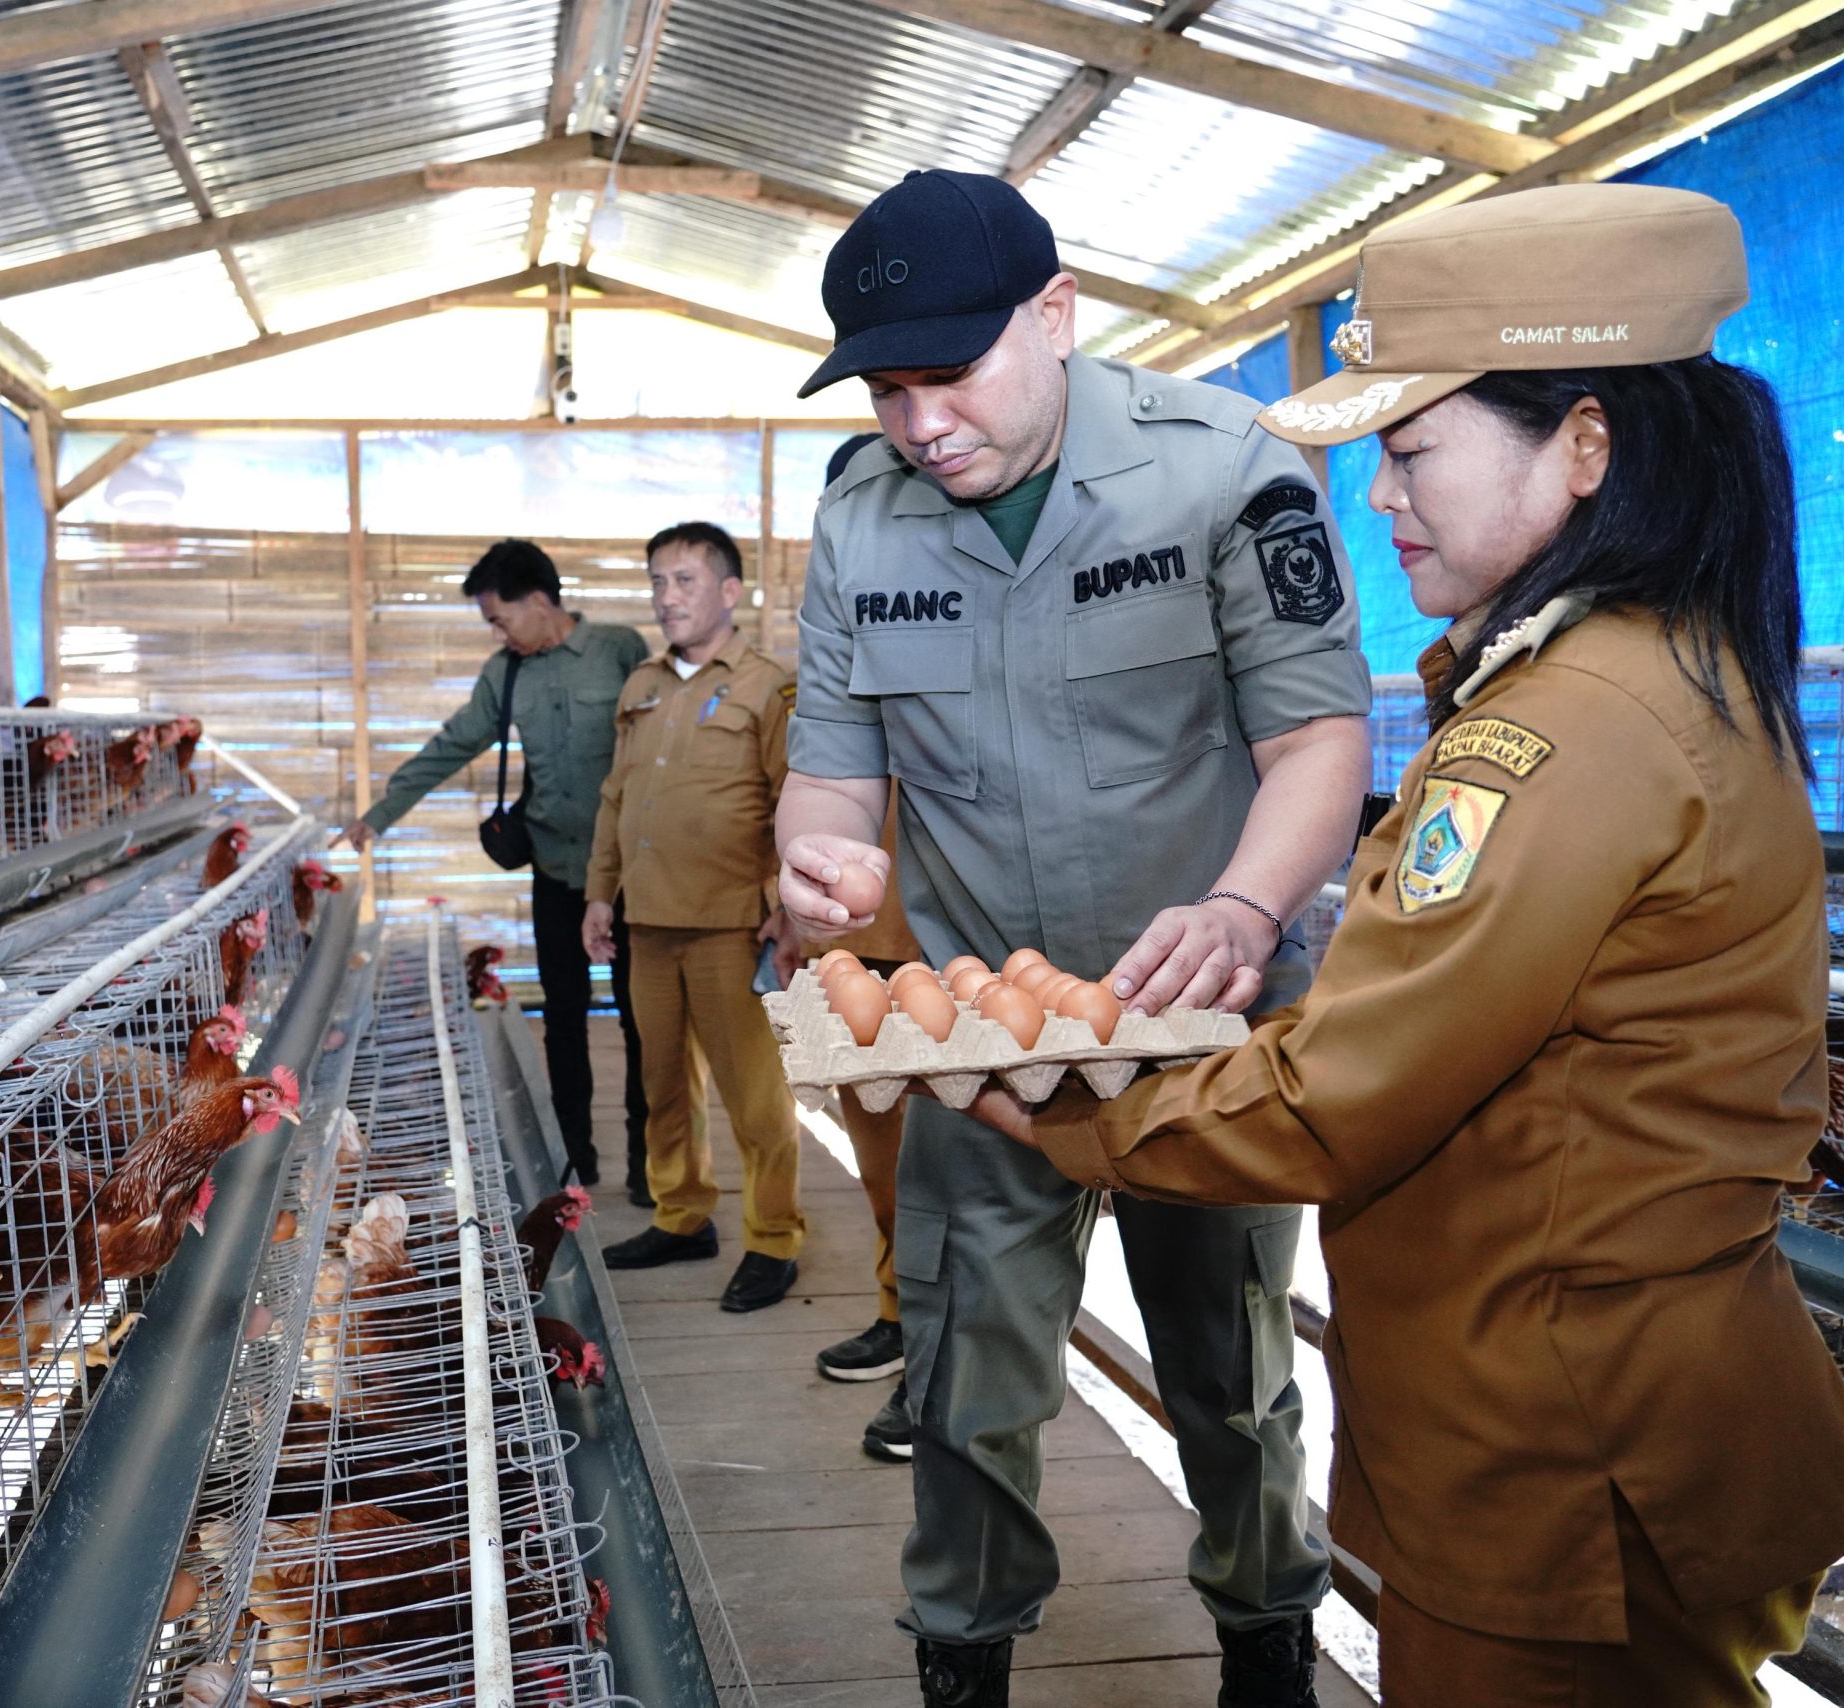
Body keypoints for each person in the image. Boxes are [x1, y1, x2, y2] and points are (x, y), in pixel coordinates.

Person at [969, 182, 1844, 1705]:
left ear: (1586, 445)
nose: (1378, 501)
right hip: (1613, 1399)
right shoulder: (1667, 669)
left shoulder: (1566, 727)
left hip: (1564, 1449)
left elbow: (1347, 1093)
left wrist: (1076, 1104)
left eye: (1409, 453)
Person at [776, 169, 1372, 1708]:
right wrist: (820, 872)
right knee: (968, 1380)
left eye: (950, 374)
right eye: (888, 389)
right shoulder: (857, 518)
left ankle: (1266, 1643)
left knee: (1230, 1375)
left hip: (1209, 1026)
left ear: (1057, 311)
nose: (919, 425)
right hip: (988, 1039)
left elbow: (1318, 738)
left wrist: (1244, 910)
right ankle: (963, 1659)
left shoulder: (1223, 470)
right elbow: (831, 780)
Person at [341, 538, 649, 1187]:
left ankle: (654, 1166)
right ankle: (577, 1157)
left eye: (498, 617)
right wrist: (380, 814)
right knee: (563, 1019)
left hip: (631, 875)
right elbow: (452, 744)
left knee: (642, 1018)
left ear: (539, 601)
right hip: (555, 872)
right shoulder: (505, 673)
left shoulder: (620, 650)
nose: (496, 631)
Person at [584, 522, 809, 1313]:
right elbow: (618, 798)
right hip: (648, 922)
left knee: (755, 1097)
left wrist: (787, 905)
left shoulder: (766, 685)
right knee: (661, 1083)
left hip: (729, 925)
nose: (667, 597)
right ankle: (682, 1215)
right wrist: (599, 894)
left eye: (683, 581)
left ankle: (774, 1237)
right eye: (657, 582)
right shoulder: (641, 685)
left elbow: (796, 802)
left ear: (727, 592)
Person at [807, 434, 932, 1465]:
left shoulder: (985, 613)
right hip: (861, 951)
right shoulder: (833, 639)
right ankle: (902, 1317)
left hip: (957, 951)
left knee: (964, 1175)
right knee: (885, 1166)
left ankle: (940, 1366)